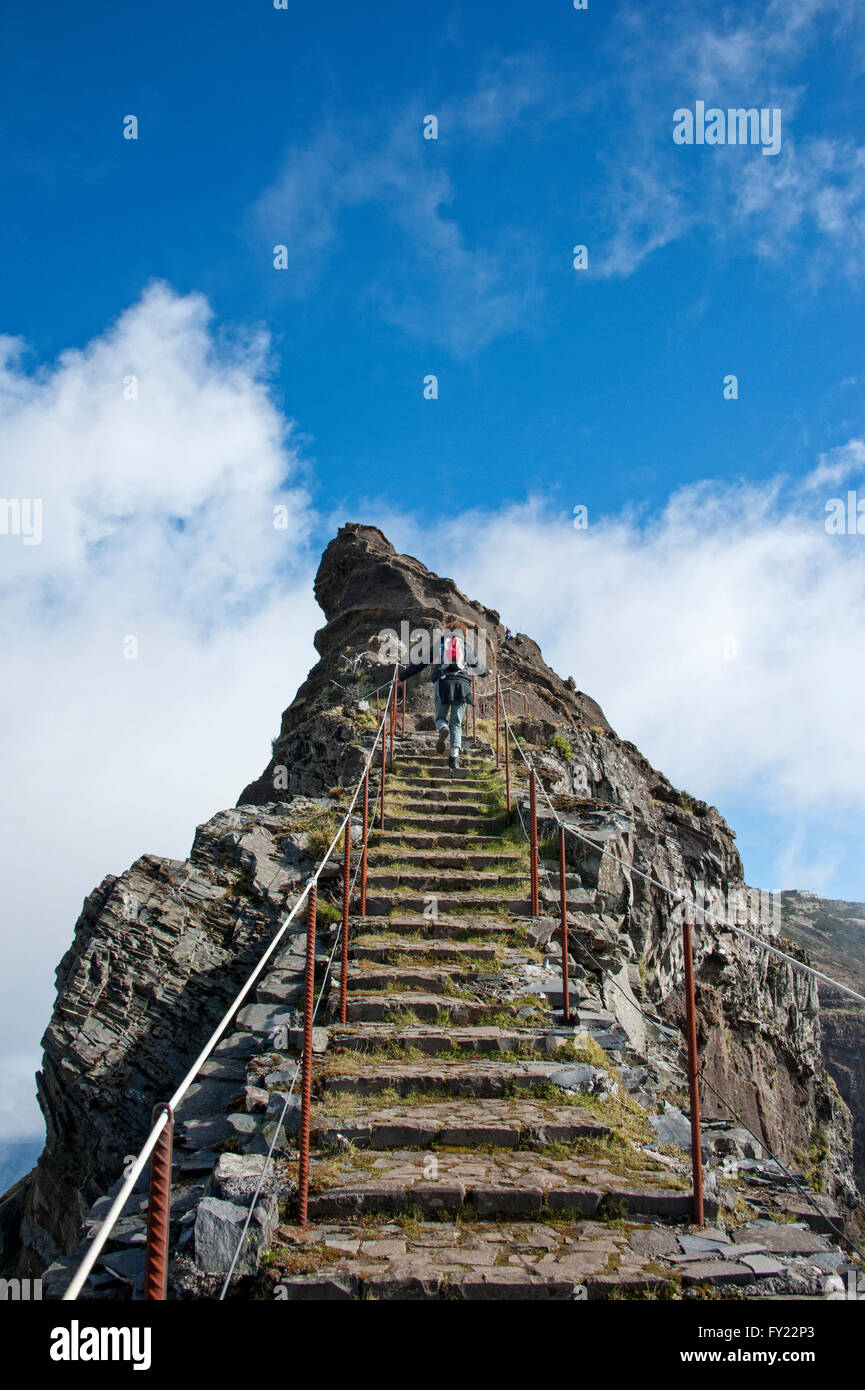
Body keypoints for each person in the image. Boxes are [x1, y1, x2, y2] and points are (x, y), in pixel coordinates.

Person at [399, 624, 484, 770]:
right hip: (462, 686)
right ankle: (454, 758)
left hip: (443, 683)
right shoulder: (466, 645)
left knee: (440, 717)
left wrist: (402, 677)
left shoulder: (441, 644)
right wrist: (487, 672)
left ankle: (443, 728)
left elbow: (421, 663)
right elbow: (479, 667)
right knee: (456, 722)